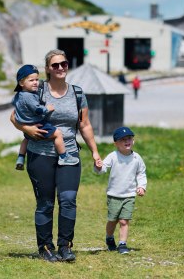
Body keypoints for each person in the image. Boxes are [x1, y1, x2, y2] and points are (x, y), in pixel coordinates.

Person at [10, 49, 101, 263]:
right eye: (55, 65)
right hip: (40, 153)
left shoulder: (77, 93)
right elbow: (14, 116)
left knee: (68, 200)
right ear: (47, 69)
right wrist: (28, 130)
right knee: (46, 203)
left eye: (64, 64)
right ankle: (45, 247)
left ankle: (65, 246)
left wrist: (95, 152)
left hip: (69, 153)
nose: (60, 68)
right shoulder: (36, 89)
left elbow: (84, 124)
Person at [93, 126, 147, 254]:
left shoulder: (137, 158)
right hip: (114, 195)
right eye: (123, 140)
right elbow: (103, 169)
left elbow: (141, 173)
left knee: (124, 221)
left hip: (129, 195)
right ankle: (109, 238)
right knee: (113, 220)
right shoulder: (113, 156)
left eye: (129, 138)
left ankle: (122, 244)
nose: (127, 141)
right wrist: (98, 166)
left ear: (133, 141)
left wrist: (141, 186)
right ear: (116, 143)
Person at [11, 64, 75, 171]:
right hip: (38, 125)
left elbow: (15, 106)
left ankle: (21, 157)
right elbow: (38, 110)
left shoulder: (19, 95)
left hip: (26, 126)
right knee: (58, 134)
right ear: (21, 82)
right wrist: (47, 108)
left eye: (37, 79)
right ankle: (64, 156)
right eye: (31, 80)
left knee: (26, 139)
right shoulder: (29, 96)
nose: (36, 82)